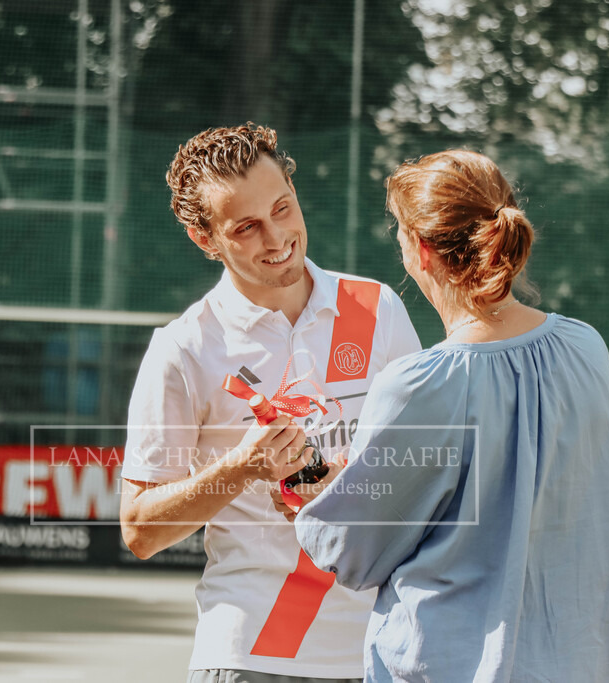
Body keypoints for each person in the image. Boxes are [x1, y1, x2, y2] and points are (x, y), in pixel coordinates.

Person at [294, 150, 609, 682]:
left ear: (421, 249)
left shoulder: (419, 385)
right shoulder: (586, 348)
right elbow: (600, 485)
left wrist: (319, 491)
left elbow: (350, 552)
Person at [119, 123, 422, 682]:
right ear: (205, 239)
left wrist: (346, 490)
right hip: (248, 653)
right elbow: (140, 529)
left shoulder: (377, 309)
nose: (277, 236)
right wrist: (242, 467)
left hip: (377, 647)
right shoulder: (184, 347)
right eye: (247, 227)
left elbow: (429, 474)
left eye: (282, 208)